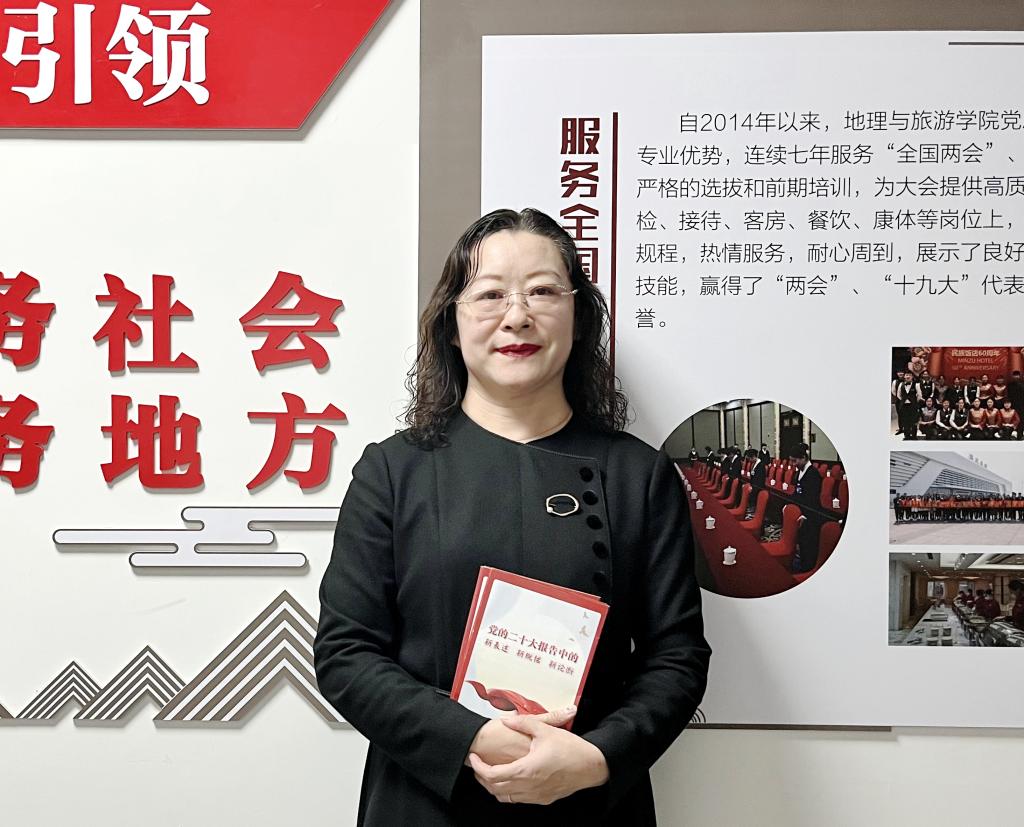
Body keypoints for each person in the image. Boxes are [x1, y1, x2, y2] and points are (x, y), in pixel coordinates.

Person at [313, 208, 711, 826]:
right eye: (490, 294)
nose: (517, 316)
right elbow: (346, 653)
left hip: (589, 802)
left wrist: (599, 757)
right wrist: (470, 738)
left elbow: (677, 654)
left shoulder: (639, 474)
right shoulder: (393, 471)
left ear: (578, 318)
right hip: (426, 800)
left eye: (544, 291)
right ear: (452, 324)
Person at [788, 443, 823, 573]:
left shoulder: (813, 474)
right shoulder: (800, 472)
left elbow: (813, 499)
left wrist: (805, 515)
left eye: (795, 461)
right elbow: (797, 492)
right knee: (802, 542)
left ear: (803, 458)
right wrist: (789, 504)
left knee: (809, 545)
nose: (793, 464)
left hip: (810, 516)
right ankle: (803, 563)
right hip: (801, 512)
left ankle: (808, 569)